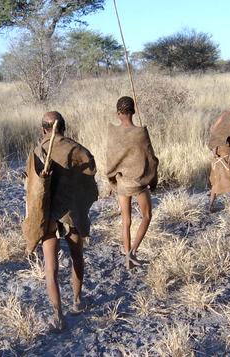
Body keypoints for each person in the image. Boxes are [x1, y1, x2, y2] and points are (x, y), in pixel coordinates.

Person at [27, 111, 98, 332]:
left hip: (48, 216)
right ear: (64, 127)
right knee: (77, 256)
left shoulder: (38, 152)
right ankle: (77, 301)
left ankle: (58, 315)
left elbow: (32, 188)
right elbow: (90, 172)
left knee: (51, 268)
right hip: (72, 213)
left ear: (43, 129)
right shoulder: (77, 149)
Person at [105, 96, 159, 269]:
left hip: (121, 182)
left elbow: (111, 158)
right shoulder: (141, 132)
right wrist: (153, 178)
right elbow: (151, 158)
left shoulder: (113, 132)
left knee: (125, 220)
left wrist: (112, 180)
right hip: (138, 183)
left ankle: (128, 258)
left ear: (118, 113)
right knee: (147, 215)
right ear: (133, 111)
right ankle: (133, 252)